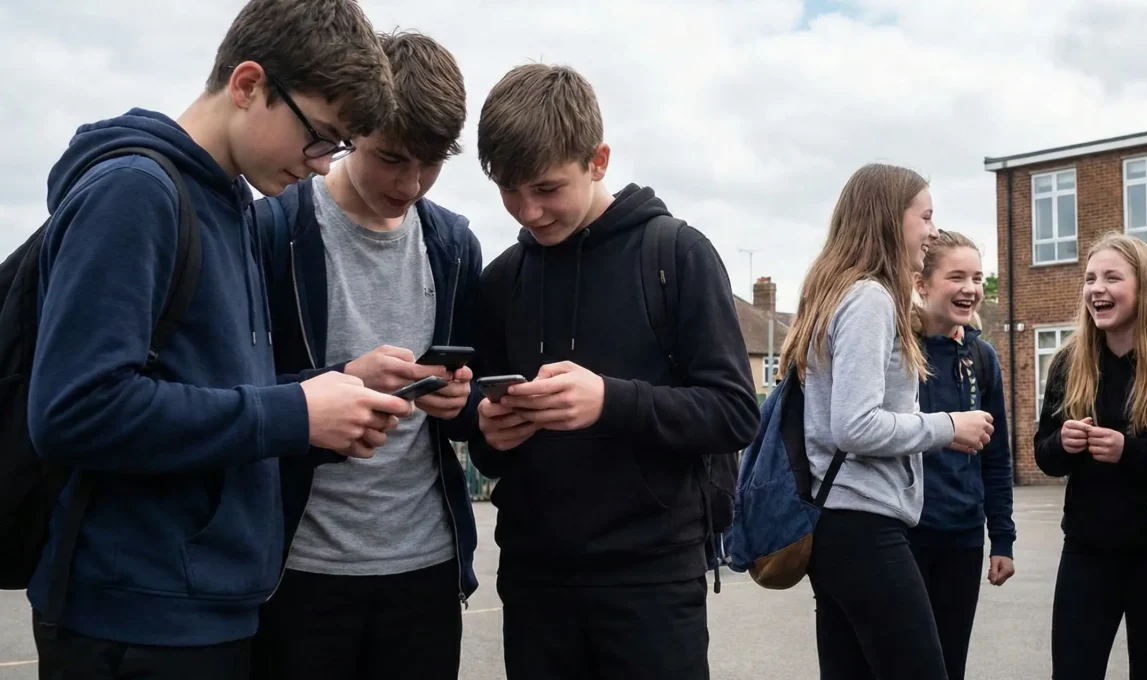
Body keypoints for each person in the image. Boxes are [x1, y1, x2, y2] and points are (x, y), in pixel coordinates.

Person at [23, 1, 409, 678]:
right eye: (320, 137)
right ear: (249, 84)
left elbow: (213, 390)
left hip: (206, 610)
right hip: (133, 621)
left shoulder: (233, 204)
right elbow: (74, 410)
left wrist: (334, 387)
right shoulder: (134, 193)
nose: (324, 166)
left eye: (339, 148)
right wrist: (294, 413)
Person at [469, 63, 759, 680]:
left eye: (547, 188)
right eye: (509, 190)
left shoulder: (676, 254)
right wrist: (489, 431)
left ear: (598, 161)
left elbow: (735, 413)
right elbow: (487, 449)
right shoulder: (501, 281)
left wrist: (609, 401)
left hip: (652, 583)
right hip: (535, 584)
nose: (528, 211)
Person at [250, 30, 482, 680]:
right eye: (392, 158)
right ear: (351, 128)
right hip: (298, 570)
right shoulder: (272, 228)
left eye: (431, 163)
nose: (411, 184)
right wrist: (339, 382)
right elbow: (233, 394)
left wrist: (462, 401)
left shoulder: (455, 245)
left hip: (427, 570)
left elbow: (470, 405)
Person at [778, 163, 995, 680]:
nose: (933, 231)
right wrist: (948, 426)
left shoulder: (838, 293)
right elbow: (855, 426)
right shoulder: (870, 298)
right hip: (862, 526)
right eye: (926, 216)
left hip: (836, 524)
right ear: (890, 218)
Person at [1034, 233, 1147, 680]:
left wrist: (1128, 451)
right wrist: (1062, 443)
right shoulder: (1069, 361)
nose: (1097, 288)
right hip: (1087, 550)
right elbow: (1045, 455)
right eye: (1090, 278)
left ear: (1143, 286)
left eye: (1112, 278)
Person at [908, 228, 1016, 680]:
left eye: (976, 277)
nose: (970, 288)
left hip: (964, 536)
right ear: (921, 283)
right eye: (957, 277)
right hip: (905, 534)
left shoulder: (982, 357)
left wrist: (1002, 538)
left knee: (951, 664)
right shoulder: (899, 350)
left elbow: (997, 456)